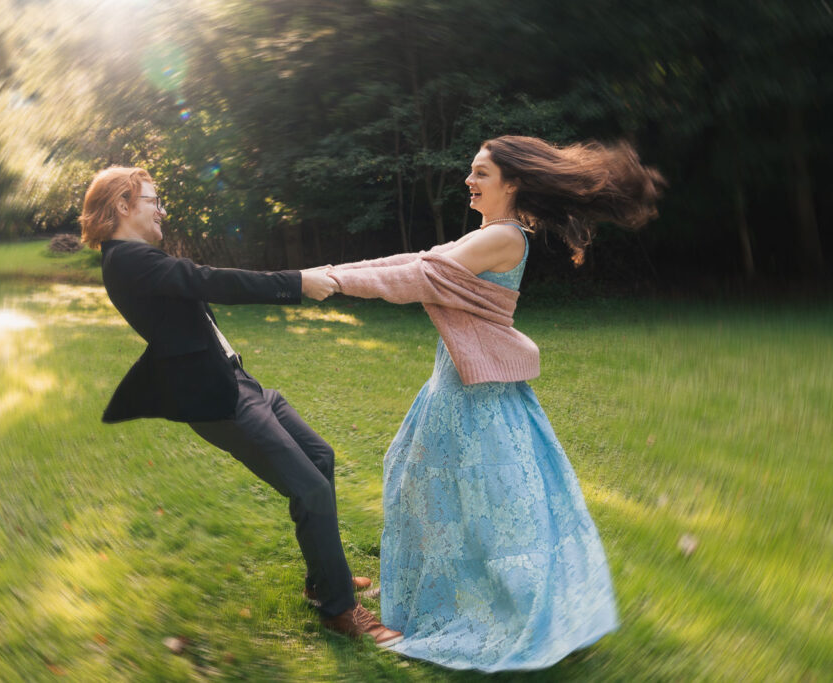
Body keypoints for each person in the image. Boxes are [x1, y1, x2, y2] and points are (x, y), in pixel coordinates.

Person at [324, 135, 664, 672]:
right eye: (471, 171)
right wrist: (332, 275)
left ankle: (496, 612)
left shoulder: (503, 238)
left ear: (513, 183)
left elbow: (416, 276)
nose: (469, 180)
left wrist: (332, 280)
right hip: (454, 384)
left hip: (473, 399)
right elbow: (415, 260)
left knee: (486, 507)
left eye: (481, 173)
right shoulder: (484, 234)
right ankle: (432, 604)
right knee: (431, 492)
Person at [79, 166, 403, 647]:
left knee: (320, 458)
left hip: (238, 382)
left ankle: (322, 581)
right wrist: (297, 283)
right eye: (153, 201)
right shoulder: (125, 259)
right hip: (219, 401)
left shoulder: (139, 257)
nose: (161, 209)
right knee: (310, 489)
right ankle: (339, 609)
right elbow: (211, 280)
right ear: (123, 206)